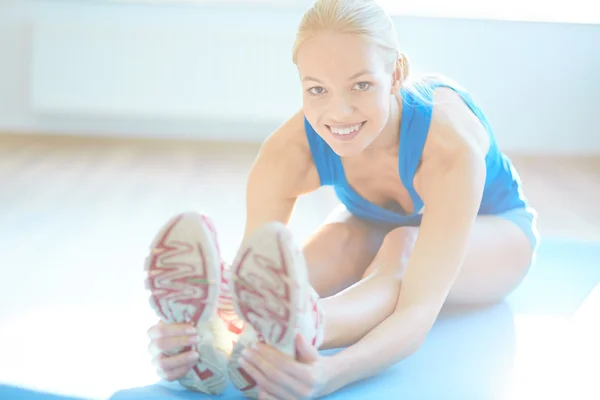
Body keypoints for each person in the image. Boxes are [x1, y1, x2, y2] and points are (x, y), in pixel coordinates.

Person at [144, 0, 539, 398]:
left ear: (397, 72)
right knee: (314, 255)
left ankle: (309, 325)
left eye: (361, 85)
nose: (340, 112)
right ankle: (211, 333)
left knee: (404, 245)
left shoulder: (449, 147)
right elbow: (256, 269)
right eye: (318, 89)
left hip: (497, 239)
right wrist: (186, 339)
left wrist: (329, 373)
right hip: (374, 229)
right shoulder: (287, 153)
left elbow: (418, 310)